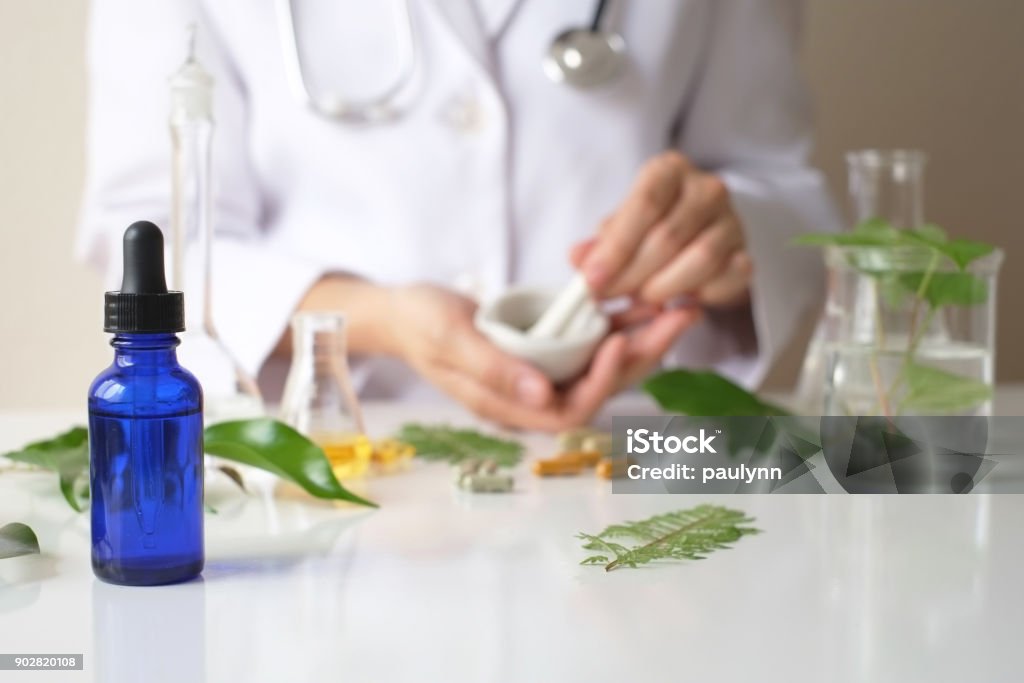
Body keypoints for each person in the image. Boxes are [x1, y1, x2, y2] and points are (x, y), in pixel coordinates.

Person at [78, 0, 838, 432]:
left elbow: (780, 187)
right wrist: (380, 319)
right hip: (339, 447)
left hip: (636, 448)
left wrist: (728, 236)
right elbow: (149, 231)